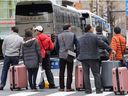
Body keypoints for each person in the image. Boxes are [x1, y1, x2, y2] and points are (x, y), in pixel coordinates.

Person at [77, 24, 112, 94]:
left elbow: (78, 48)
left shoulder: (80, 38)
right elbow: (102, 44)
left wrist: (79, 55)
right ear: (90, 29)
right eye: (92, 28)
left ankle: (88, 90)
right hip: (93, 58)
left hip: (83, 58)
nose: (93, 29)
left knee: (86, 74)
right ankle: (98, 90)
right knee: (96, 74)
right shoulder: (94, 36)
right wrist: (110, 50)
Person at [55, 24, 78, 92]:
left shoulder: (59, 35)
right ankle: (68, 87)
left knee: (61, 71)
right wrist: (76, 53)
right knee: (69, 71)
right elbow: (77, 45)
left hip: (61, 55)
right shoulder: (73, 35)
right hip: (70, 54)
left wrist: (58, 53)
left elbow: (56, 47)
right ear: (68, 28)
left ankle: (61, 87)